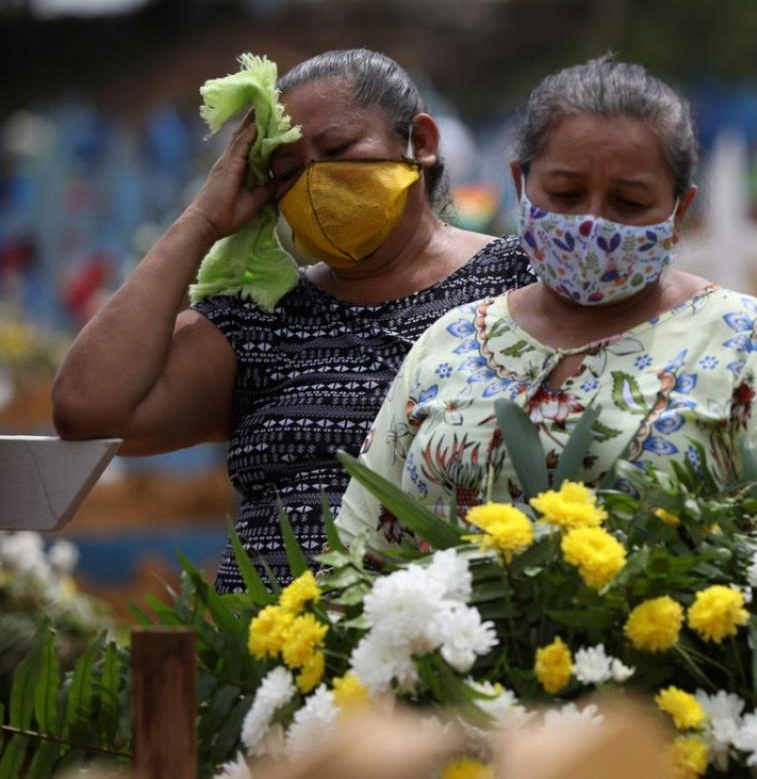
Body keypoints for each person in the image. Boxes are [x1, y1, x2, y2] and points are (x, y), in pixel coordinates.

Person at [336, 56, 757, 551]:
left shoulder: (744, 343)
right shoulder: (450, 345)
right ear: (520, 185)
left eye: (629, 202)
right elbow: (361, 551)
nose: (592, 222)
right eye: (566, 195)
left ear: (679, 210)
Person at [51, 49, 536, 591]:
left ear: (420, 143)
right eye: (286, 171)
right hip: (267, 651)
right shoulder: (260, 320)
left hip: (455, 641)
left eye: (337, 149)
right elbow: (87, 410)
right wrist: (201, 221)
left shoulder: (521, 282)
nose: (314, 180)